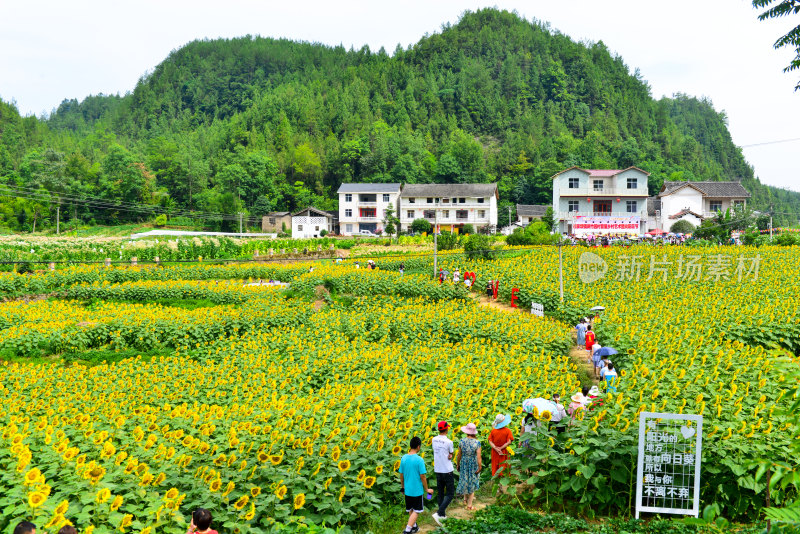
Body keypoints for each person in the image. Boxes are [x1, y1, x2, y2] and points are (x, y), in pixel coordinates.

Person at [399, 436, 434, 534]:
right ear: (418, 447)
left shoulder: (404, 458)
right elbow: (422, 476)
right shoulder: (419, 460)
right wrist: (427, 489)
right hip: (417, 490)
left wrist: (402, 487)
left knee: (410, 508)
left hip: (407, 489)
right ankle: (407, 530)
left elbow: (401, 475)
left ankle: (414, 527)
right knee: (417, 510)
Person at [431, 421, 454, 526]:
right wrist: (450, 456)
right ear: (446, 429)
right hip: (447, 470)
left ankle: (442, 516)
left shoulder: (433, 439)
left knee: (440, 493)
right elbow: (450, 455)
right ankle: (439, 513)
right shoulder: (449, 442)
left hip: (438, 469)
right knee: (450, 494)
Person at [455, 423, 482, 511]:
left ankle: (465, 499)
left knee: (464, 478)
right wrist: (480, 466)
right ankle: (469, 506)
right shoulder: (477, 442)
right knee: (472, 482)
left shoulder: (462, 441)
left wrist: (458, 464)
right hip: (473, 462)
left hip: (464, 461)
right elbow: (478, 456)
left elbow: (459, 454)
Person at [489, 413, 513, 478]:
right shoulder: (508, 431)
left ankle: (497, 479)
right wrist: (501, 448)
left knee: (495, 464)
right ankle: (504, 480)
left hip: (495, 451)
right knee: (504, 464)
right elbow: (509, 442)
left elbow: (490, 441)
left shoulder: (493, 431)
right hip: (504, 451)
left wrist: (496, 448)